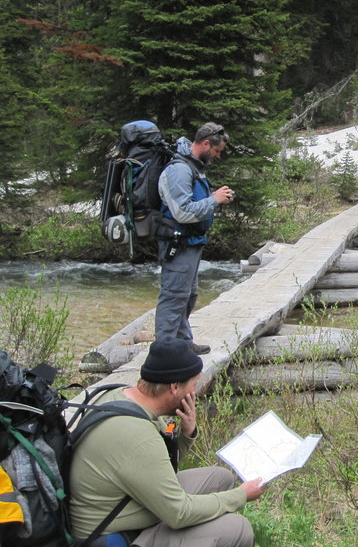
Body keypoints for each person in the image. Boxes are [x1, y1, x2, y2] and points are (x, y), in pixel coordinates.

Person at [69, 337, 265, 546]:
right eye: (193, 384)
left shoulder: (119, 395)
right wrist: (241, 495)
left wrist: (186, 434)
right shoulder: (138, 436)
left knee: (220, 478)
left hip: (124, 504)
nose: (195, 392)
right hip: (112, 535)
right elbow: (178, 513)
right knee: (237, 528)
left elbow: (160, 464)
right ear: (174, 386)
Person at [155, 122, 235, 354]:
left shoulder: (193, 166)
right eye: (217, 151)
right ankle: (165, 353)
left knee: (188, 295)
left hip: (191, 243)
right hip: (177, 243)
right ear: (206, 144)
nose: (218, 156)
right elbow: (182, 212)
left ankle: (182, 342)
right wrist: (214, 200)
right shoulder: (179, 169)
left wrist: (214, 197)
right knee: (173, 296)